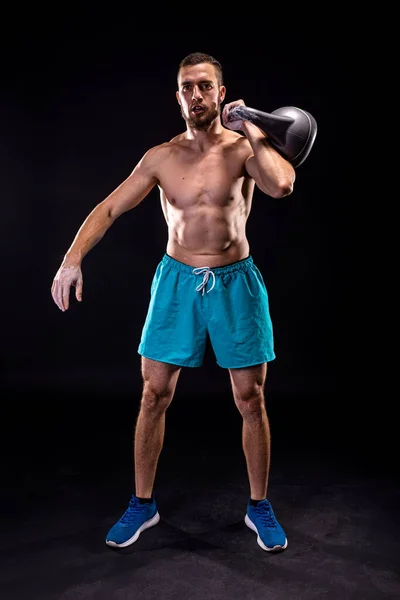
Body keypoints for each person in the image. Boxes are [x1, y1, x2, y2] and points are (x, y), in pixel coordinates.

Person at [51, 52, 296, 553]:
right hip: (176, 283)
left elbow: (282, 184)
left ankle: (258, 506)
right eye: (188, 87)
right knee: (153, 393)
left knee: (250, 398)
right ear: (178, 96)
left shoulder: (243, 149)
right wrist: (71, 258)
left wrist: (252, 127)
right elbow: (111, 206)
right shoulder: (160, 156)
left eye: (206, 86)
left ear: (222, 93)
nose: (197, 95)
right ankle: (143, 504)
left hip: (235, 282)